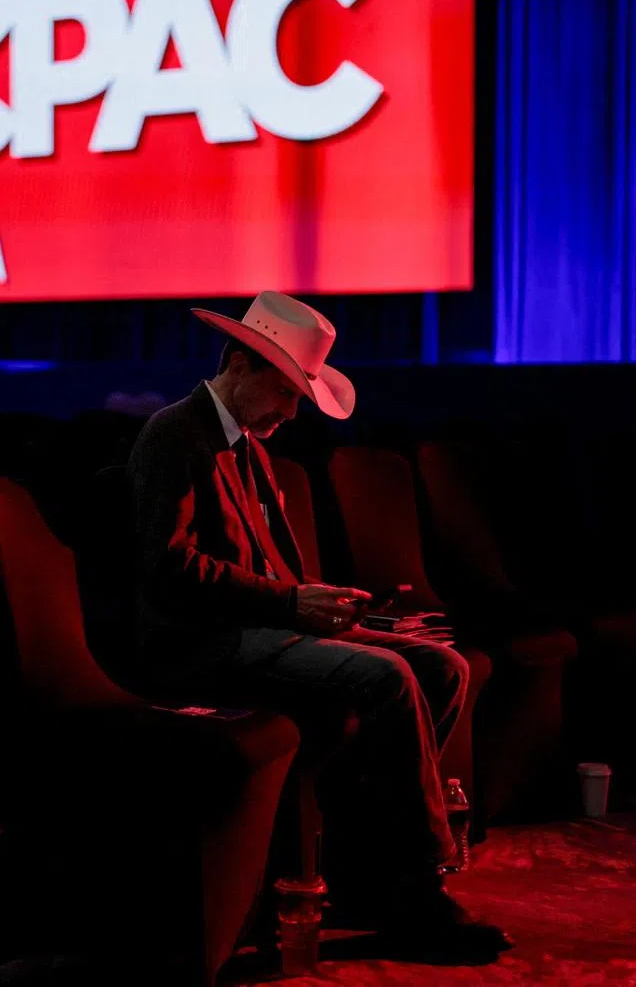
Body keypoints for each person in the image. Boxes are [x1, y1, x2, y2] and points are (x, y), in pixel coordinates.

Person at [127, 290, 511, 961]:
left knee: (442, 665)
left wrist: (326, 606)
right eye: (285, 391)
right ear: (240, 365)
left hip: (257, 630)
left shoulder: (248, 447)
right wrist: (292, 605)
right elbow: (167, 570)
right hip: (201, 645)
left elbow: (277, 582)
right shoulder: (173, 435)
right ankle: (415, 892)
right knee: (389, 677)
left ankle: (369, 867)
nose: (291, 411)